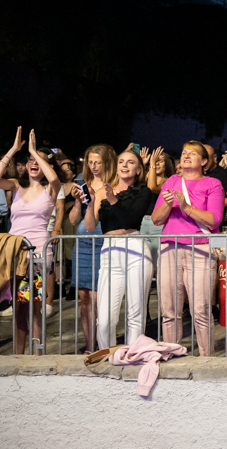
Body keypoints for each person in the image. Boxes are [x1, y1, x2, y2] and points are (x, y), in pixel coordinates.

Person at [0, 128, 62, 354]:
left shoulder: (50, 188)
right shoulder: (16, 186)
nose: (33, 163)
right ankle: (18, 355)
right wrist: (13, 150)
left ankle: (37, 354)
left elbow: (54, 177)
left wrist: (35, 151)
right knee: (20, 305)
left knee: (34, 305)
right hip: (15, 252)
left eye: (37, 161)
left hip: (37, 254)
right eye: (29, 160)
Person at [151, 141, 225, 356]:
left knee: (200, 310)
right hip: (169, 249)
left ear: (204, 162)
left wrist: (185, 207)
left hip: (200, 249)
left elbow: (214, 220)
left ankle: (205, 358)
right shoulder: (172, 181)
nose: (186, 156)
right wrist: (167, 203)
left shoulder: (213, 184)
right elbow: (156, 219)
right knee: (169, 309)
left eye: (192, 154)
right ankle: (171, 355)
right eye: (184, 152)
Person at [90, 149, 156, 349]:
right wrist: (89, 201)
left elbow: (129, 220)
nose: (125, 165)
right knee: (105, 320)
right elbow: (91, 225)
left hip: (135, 247)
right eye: (121, 161)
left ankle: (133, 359)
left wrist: (112, 200)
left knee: (135, 316)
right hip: (110, 250)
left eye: (130, 162)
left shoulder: (143, 192)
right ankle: (106, 357)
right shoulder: (103, 191)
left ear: (138, 169)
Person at [75, 144, 117, 352]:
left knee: (100, 296)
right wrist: (76, 202)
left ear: (107, 162)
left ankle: (103, 344)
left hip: (103, 242)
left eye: (97, 162)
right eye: (90, 162)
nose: (92, 166)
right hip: (82, 244)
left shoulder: (114, 184)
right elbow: (74, 220)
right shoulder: (82, 183)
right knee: (84, 297)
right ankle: (89, 345)